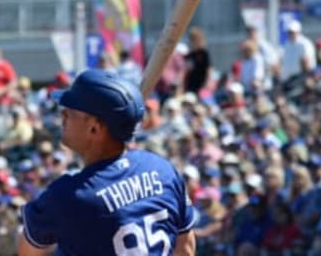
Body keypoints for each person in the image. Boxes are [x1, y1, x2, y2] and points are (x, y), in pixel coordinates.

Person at [18, 69, 196, 256]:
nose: (62, 117)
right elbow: (186, 248)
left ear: (95, 128)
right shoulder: (163, 170)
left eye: (70, 112)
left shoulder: (67, 195)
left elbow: (27, 252)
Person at [184, 27, 211, 94]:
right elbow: (186, 71)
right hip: (191, 85)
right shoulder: (189, 55)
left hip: (201, 84)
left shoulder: (203, 53)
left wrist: (206, 83)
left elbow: (208, 69)